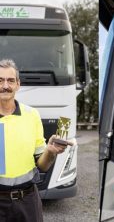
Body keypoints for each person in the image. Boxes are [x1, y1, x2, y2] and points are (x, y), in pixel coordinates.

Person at [0, 59, 73, 222]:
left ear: (18, 85)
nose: (5, 85)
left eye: (10, 80)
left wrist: (50, 152)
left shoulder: (31, 115)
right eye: (0, 80)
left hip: (28, 201)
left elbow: (42, 165)